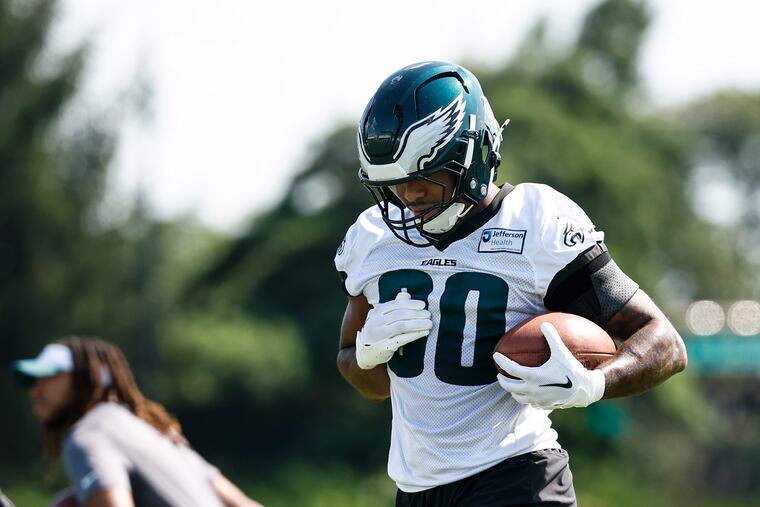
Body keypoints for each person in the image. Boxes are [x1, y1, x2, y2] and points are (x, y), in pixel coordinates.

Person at [335, 61, 687, 507]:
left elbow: (664, 343)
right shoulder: (373, 238)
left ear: (472, 156)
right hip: (416, 490)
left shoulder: (535, 222)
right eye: (396, 183)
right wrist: (367, 353)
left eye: (423, 177)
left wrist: (594, 383)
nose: (408, 196)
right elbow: (368, 381)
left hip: (517, 477)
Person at [14, 336, 264, 507]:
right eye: (34, 381)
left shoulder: (88, 436)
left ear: (90, 377)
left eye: (50, 375)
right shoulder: (154, 434)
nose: (36, 389)